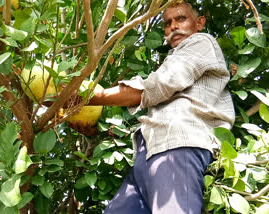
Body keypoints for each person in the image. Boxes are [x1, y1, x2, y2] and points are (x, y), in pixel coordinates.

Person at [72, 1, 235, 213]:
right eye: (168, 23)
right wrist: (95, 126)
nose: (174, 26)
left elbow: (160, 84)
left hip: (178, 146)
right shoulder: (174, 58)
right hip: (148, 155)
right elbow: (155, 105)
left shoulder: (202, 42)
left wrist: (91, 97)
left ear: (200, 22)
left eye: (181, 19)